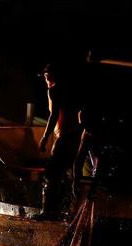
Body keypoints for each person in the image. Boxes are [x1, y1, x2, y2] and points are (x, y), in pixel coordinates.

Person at [35, 64, 82, 220]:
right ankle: (64, 211)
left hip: (65, 136)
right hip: (75, 136)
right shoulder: (72, 90)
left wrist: (44, 137)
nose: (46, 78)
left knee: (51, 175)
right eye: (45, 75)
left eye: (49, 75)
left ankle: (47, 212)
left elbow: (54, 115)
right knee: (64, 175)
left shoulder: (54, 90)